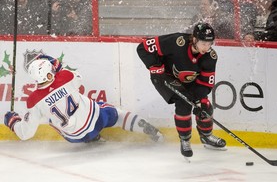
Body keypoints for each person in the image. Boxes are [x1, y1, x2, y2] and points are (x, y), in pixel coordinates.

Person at [4, 54, 163, 143]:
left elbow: (25, 134)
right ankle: (146, 128)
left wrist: (13, 122)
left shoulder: (33, 100)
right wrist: (56, 65)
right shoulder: (65, 77)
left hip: (74, 137)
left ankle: (93, 139)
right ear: (48, 73)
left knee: (51, 120)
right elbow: (78, 77)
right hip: (97, 118)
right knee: (116, 114)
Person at [137, 22, 226, 160]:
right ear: (195, 39)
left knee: (204, 105)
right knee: (183, 102)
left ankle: (206, 136)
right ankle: (185, 140)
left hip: (190, 82)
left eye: (210, 43)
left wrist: (198, 100)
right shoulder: (176, 42)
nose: (207, 47)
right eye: (203, 43)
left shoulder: (210, 57)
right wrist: (154, 66)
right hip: (164, 76)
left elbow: (205, 84)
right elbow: (142, 48)